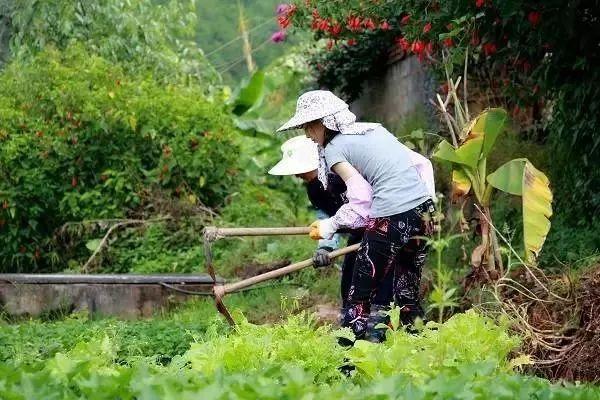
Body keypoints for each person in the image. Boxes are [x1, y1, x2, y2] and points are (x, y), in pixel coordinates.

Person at [276, 90, 436, 340]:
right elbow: (422, 163)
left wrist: (330, 225)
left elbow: (361, 200)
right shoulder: (373, 130)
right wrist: (423, 205)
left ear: (325, 123)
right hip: (424, 214)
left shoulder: (334, 149)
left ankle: (350, 365)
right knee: (407, 293)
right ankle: (423, 349)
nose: (307, 134)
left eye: (309, 126)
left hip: (390, 217)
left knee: (358, 298)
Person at [268, 136, 393, 339]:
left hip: (384, 232)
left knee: (380, 289)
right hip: (358, 236)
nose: (298, 174)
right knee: (350, 287)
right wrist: (325, 248)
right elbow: (326, 217)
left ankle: (379, 336)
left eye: (301, 169)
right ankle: (351, 339)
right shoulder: (314, 189)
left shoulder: (344, 172)